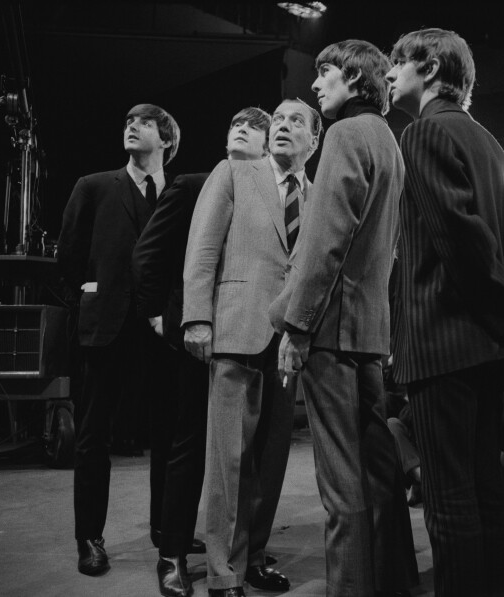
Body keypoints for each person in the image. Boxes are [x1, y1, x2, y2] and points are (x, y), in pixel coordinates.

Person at [385, 27, 504, 597]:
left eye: (398, 62)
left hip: (443, 342)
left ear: (429, 67)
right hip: (487, 345)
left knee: (448, 497)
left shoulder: (422, 135)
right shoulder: (490, 141)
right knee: (485, 490)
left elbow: (463, 241)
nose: (388, 73)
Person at [270, 39, 418, 597]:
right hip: (369, 330)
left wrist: (297, 325)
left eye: (324, 72)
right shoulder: (388, 139)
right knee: (379, 469)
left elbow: (325, 238)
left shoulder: (344, 134)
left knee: (340, 482)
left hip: (330, 327)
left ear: (356, 78)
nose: (315, 84)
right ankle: (394, 583)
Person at [183, 98, 321, 597]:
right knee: (228, 463)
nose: (283, 127)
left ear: (314, 142)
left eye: (296, 123)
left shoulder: (319, 193)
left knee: (270, 461)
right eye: (279, 120)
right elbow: (202, 248)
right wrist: (197, 317)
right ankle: (224, 573)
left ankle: (254, 555)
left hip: (290, 343)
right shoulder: (234, 174)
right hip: (236, 330)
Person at [132, 107, 271, 597]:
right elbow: (150, 253)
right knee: (188, 446)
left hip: (244, 334)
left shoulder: (273, 190)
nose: (242, 129)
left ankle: (234, 550)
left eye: (255, 126)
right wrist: (163, 320)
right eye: (235, 123)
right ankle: (171, 554)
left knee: (238, 452)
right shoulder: (194, 182)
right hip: (192, 334)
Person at [57, 103, 179, 577]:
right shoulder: (93, 186)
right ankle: (89, 537)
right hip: (106, 328)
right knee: (93, 437)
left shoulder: (182, 192)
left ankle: (167, 531)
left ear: (166, 140)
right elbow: (69, 257)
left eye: (145, 122)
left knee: (168, 436)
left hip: (162, 330)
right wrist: (88, 297)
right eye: (129, 121)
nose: (132, 126)